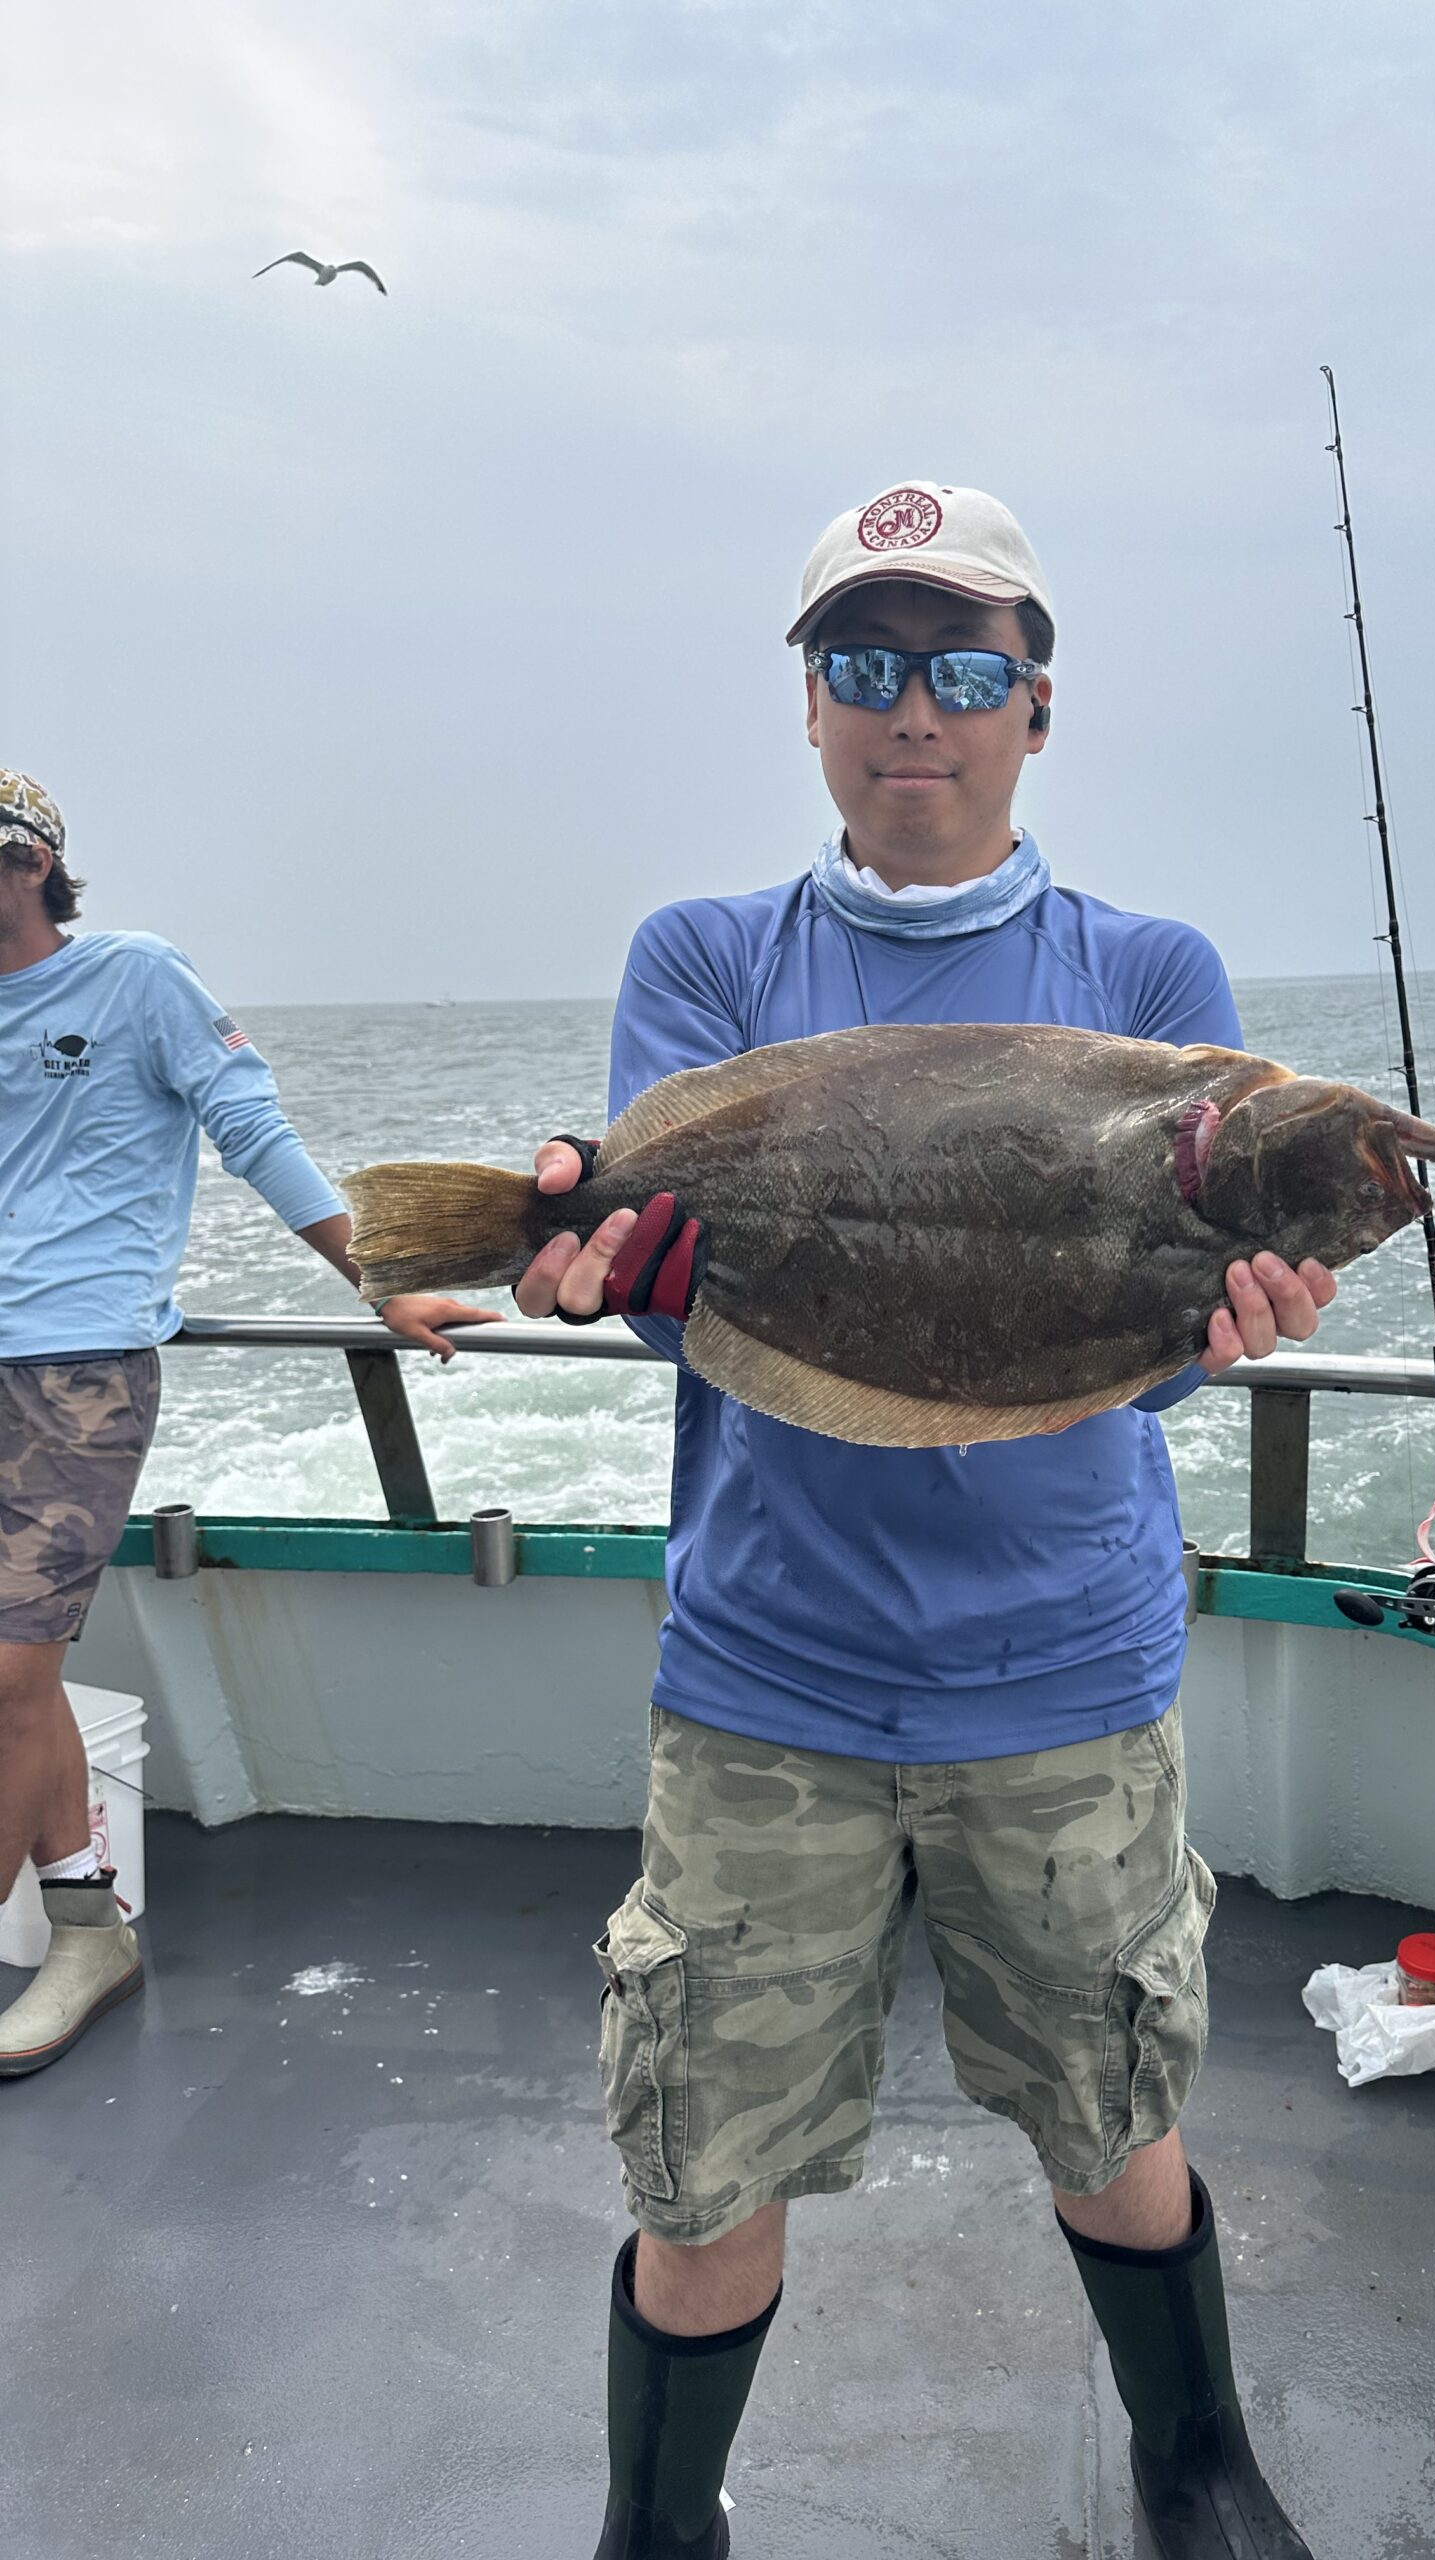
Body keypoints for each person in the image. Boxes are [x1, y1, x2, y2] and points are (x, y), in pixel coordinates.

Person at [515, 486, 1330, 2559]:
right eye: (864, 662)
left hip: (1061, 1672)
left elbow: (1121, 1360)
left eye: (964, 668)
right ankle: (659, 2522)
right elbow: (710, 1302)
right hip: (765, 1676)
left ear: (1035, 711)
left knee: (1112, 2119)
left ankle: (1195, 2457)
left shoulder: (1153, 980)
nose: (915, 710)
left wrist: (1207, 1327)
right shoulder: (706, 958)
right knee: (702, 2166)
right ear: (811, 708)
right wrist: (611, 1253)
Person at [0, 771, 484, 2077]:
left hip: (78, 1371)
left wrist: (375, 1279)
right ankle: (89, 1930)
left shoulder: (137, 979)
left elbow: (253, 1128)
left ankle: (82, 1935)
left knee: (2, 1676)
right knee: (20, 1677)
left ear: (41, 862)